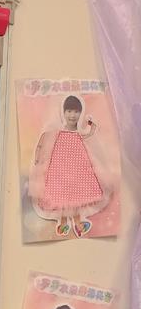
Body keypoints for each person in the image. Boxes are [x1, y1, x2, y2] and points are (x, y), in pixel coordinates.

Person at [30, 94, 111, 238]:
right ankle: (62, 222)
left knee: (76, 193)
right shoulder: (56, 132)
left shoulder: (80, 133)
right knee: (60, 192)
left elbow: (90, 133)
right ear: (63, 112)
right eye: (69, 111)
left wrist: (91, 123)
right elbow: (44, 142)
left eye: (76, 111)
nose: (72, 115)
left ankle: (77, 222)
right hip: (59, 168)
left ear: (81, 113)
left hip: (78, 169)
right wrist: (38, 158)